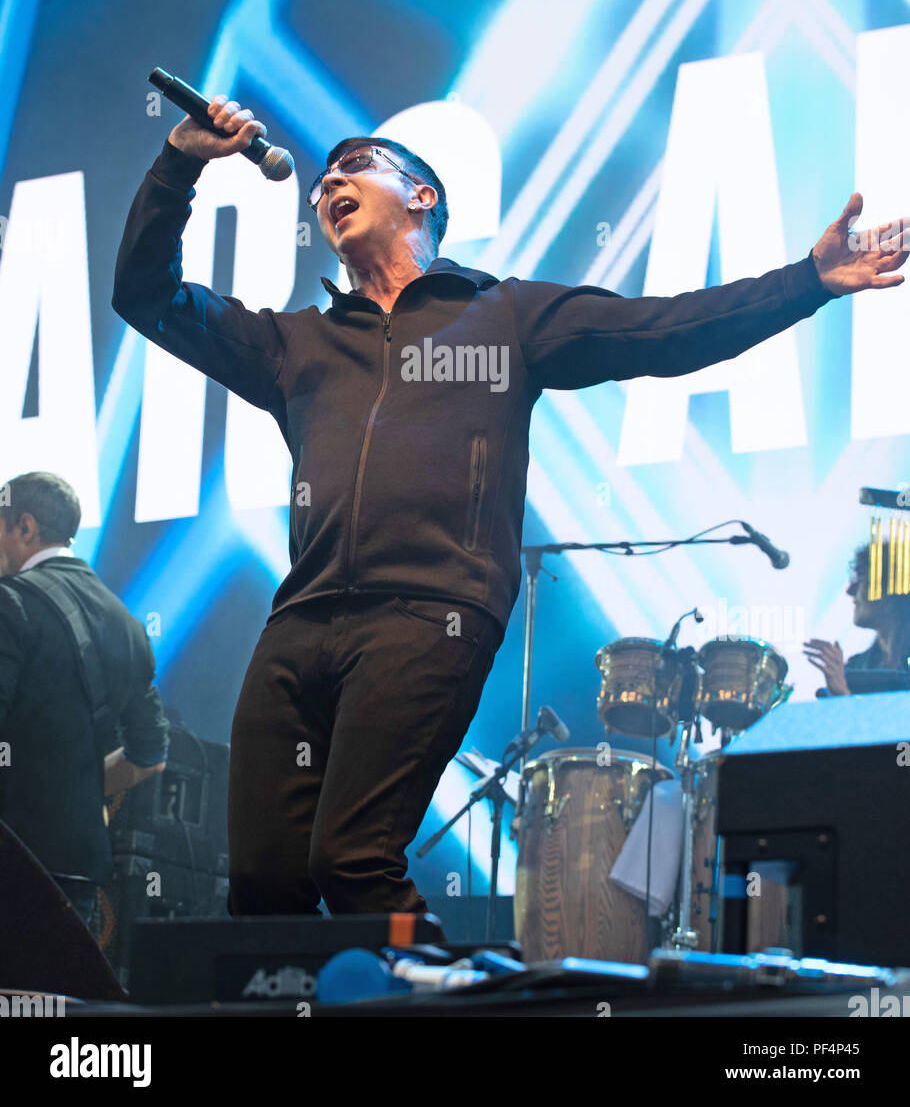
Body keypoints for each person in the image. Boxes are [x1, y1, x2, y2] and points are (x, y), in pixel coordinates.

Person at [111, 92, 909, 919]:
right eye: (320, 184)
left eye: (354, 168)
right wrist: (180, 161)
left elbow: (665, 330)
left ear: (423, 197)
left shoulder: (506, 315)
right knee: (265, 883)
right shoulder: (295, 344)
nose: (327, 186)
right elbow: (146, 296)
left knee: (352, 862)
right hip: (301, 622)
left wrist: (808, 282)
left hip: (430, 615)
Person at [0, 472, 169, 930]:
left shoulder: (8, 603)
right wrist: (75, 789)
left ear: (25, 527)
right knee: (55, 1000)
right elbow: (150, 758)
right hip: (77, 868)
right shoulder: (129, 626)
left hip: (11, 862)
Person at [804, 543, 910, 696]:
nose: (850, 591)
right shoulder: (856, 667)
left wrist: (843, 694)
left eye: (861, 581)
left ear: (888, 592)